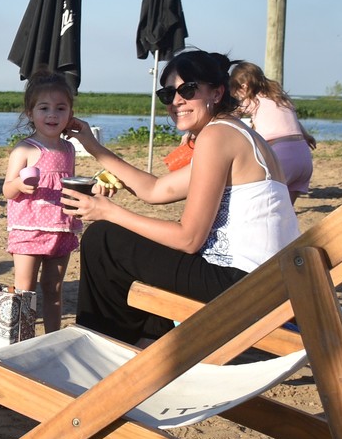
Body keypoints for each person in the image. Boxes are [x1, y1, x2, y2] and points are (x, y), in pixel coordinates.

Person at [61, 49, 300, 346]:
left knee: (104, 239)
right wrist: (92, 145)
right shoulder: (233, 132)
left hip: (246, 287)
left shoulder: (217, 137)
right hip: (267, 283)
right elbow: (155, 190)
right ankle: (132, 343)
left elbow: (189, 239)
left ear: (217, 91)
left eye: (188, 90)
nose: (176, 101)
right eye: (168, 94)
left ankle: (99, 347)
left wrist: (107, 212)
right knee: (131, 251)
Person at [1, 70, 81, 333]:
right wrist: (20, 185)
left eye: (61, 108)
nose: (52, 115)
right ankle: (21, 337)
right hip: (28, 228)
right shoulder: (25, 149)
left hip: (61, 226)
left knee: (54, 288)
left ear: (70, 113)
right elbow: (7, 189)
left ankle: (52, 337)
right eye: (44, 108)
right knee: (24, 287)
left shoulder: (69, 148)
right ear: (30, 113)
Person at [230, 60, 315, 203]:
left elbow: (232, 116)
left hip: (282, 155)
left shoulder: (252, 100)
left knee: (265, 201)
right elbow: (294, 121)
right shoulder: (279, 97)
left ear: (244, 87)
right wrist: (307, 136)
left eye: (235, 92)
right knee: (286, 208)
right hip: (303, 156)